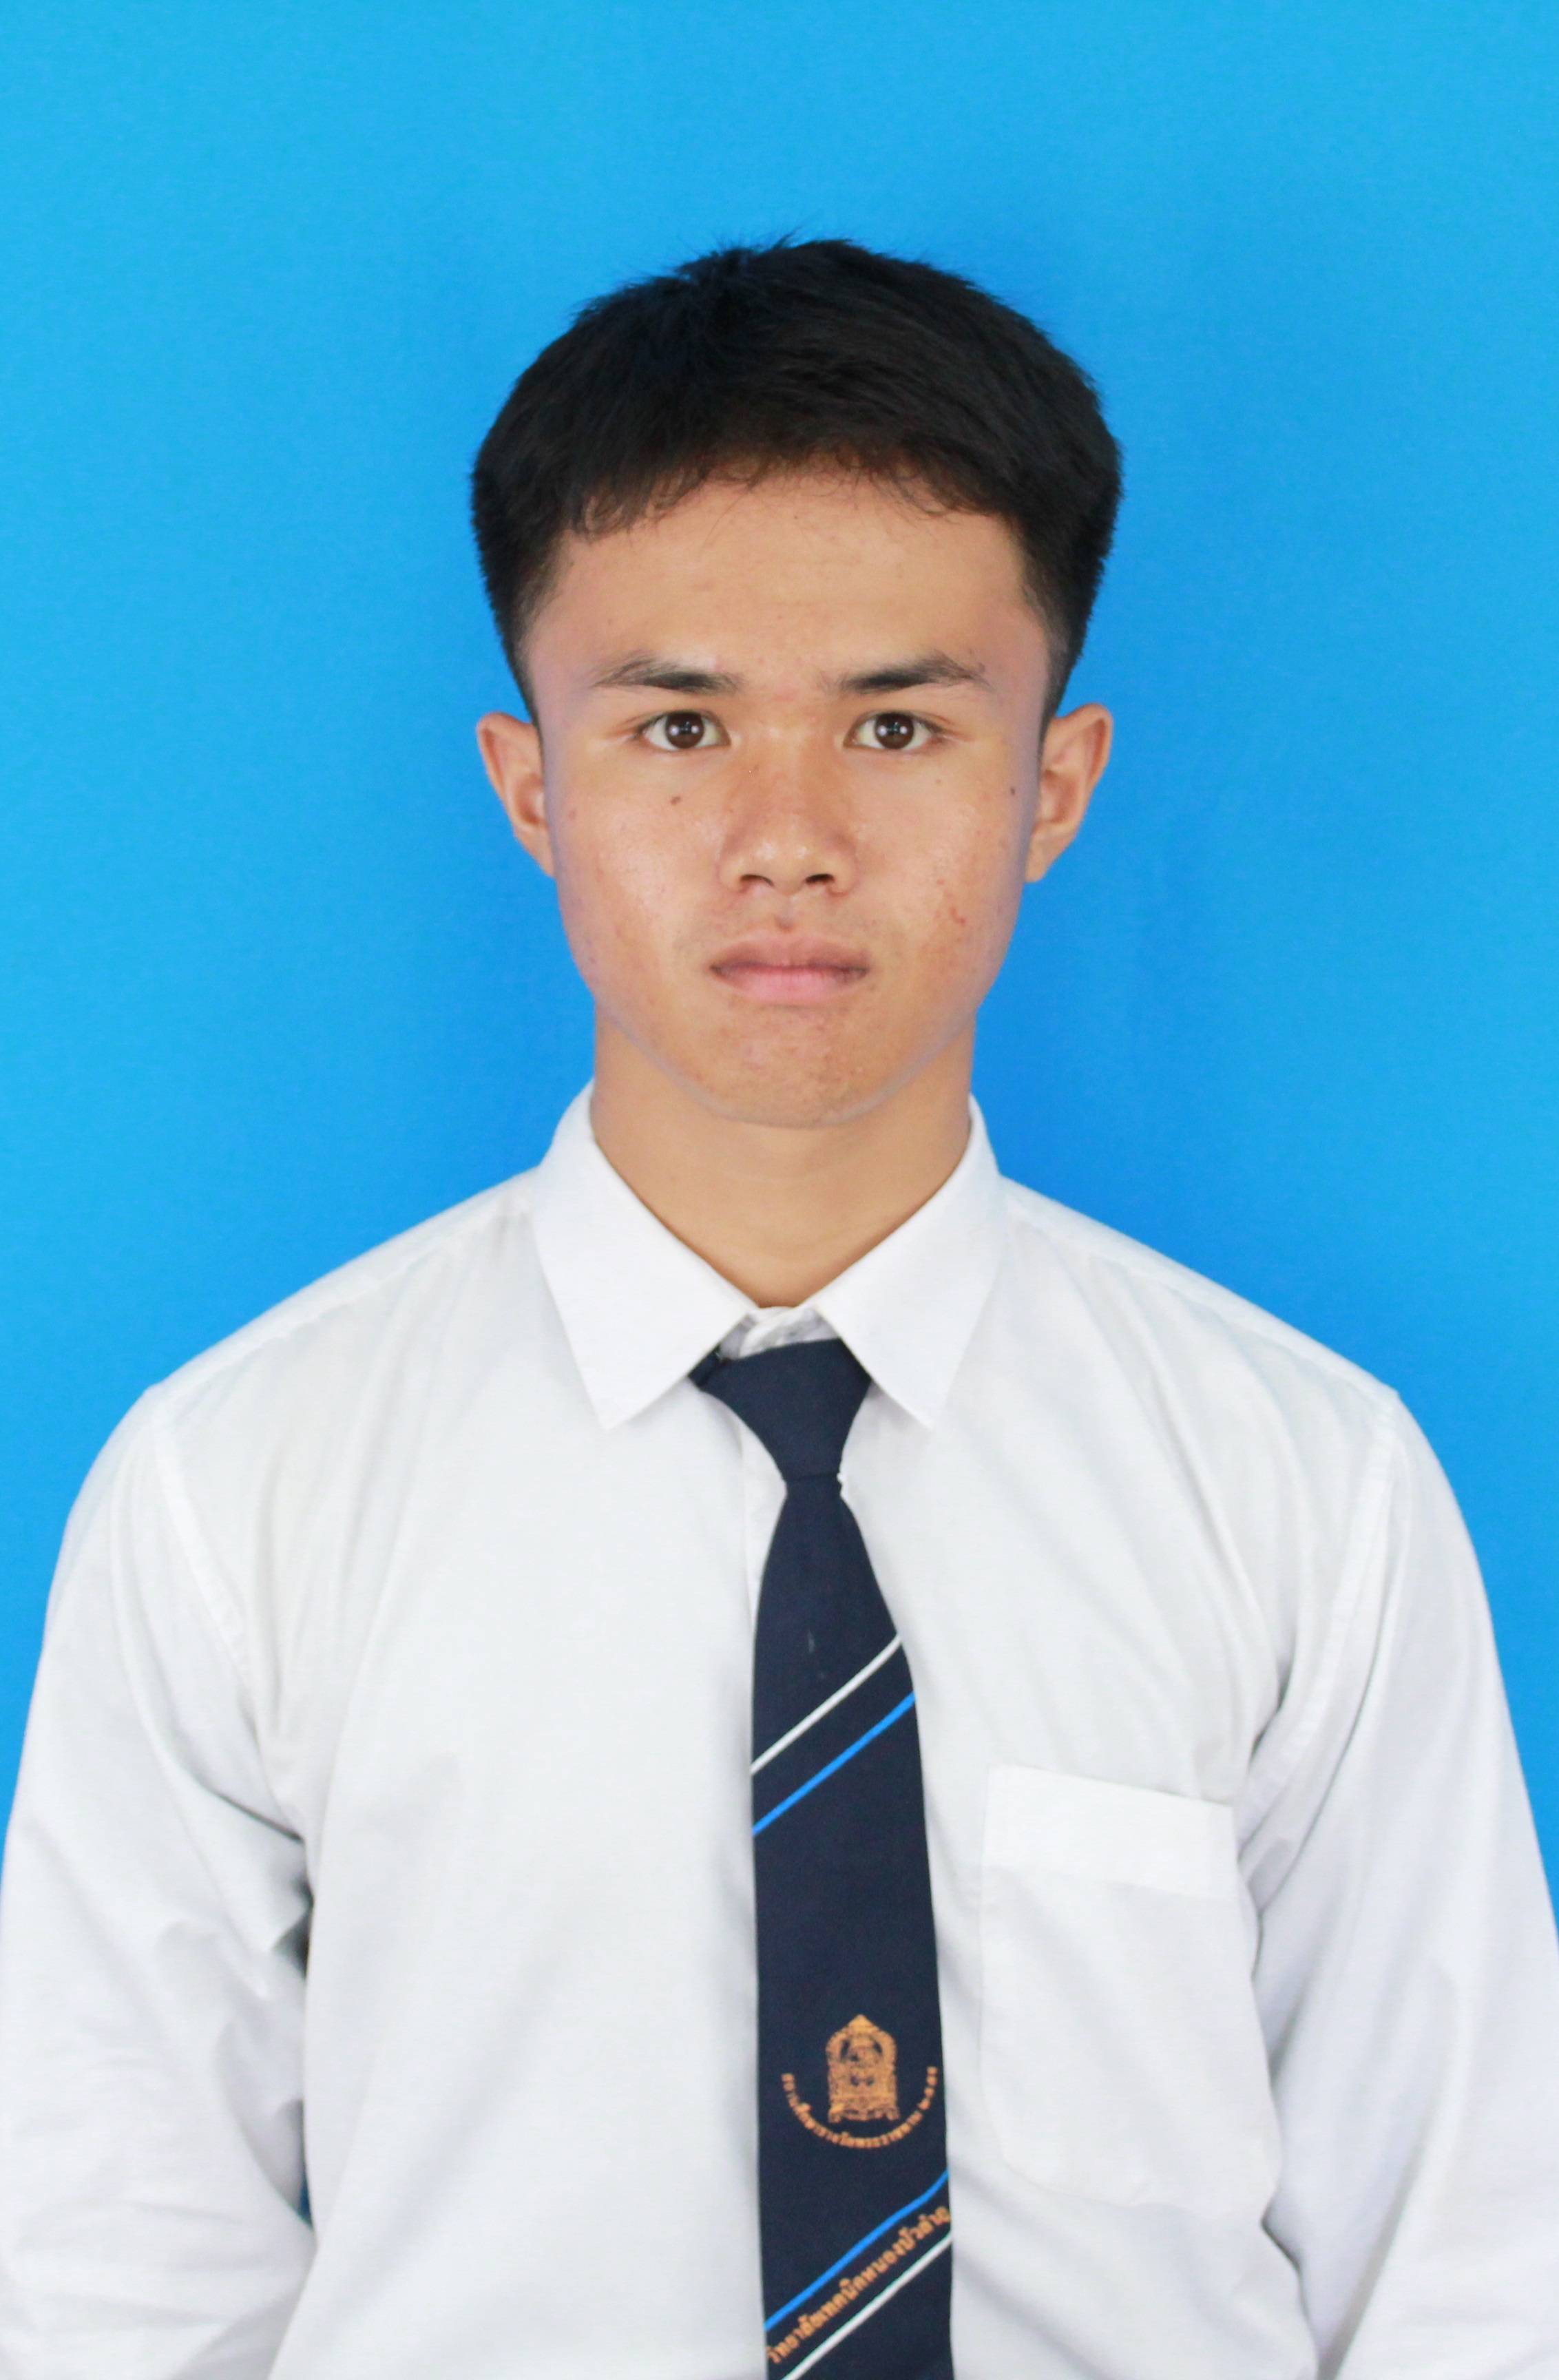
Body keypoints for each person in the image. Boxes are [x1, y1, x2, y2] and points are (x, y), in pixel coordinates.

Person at [0, 238, 1554, 2380]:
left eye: (898, 725)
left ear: (1056, 783)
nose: (787, 839)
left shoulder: (1304, 1485)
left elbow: (1472, 2258)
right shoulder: (235, 1492)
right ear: (532, 786)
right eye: (679, 726)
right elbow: (110, 2271)